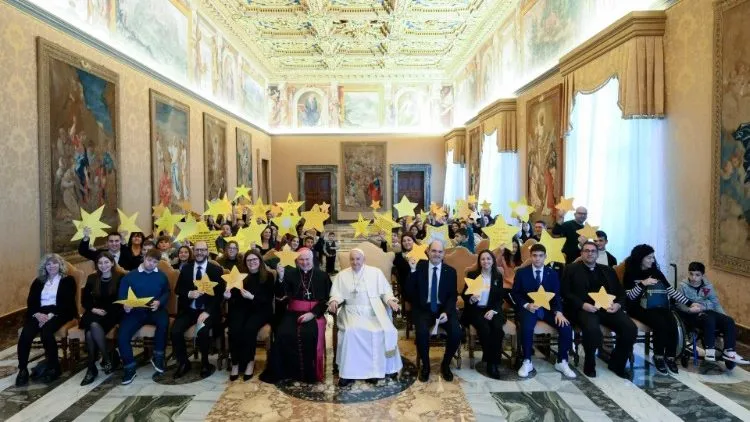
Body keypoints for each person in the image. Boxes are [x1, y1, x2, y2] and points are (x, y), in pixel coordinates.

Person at [561, 241, 636, 378]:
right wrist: (583, 305)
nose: (590, 253)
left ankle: (617, 363)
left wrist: (618, 305)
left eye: (593, 251)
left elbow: (620, 292)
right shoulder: (571, 269)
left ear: (597, 254)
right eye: (587, 251)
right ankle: (590, 362)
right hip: (584, 308)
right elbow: (565, 292)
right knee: (592, 330)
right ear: (581, 253)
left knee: (630, 328)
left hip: (608, 308)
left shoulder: (608, 270)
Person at [623, 244, 701, 375]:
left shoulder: (656, 272)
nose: (653, 260)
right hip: (636, 307)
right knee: (660, 323)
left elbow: (671, 291)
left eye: (653, 257)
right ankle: (658, 356)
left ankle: (670, 357)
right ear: (640, 258)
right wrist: (643, 284)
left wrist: (690, 303)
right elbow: (629, 297)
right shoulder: (630, 273)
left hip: (656, 305)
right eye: (649, 258)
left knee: (671, 321)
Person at [328, 248, 402, 387]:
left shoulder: (375, 273)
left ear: (364, 260)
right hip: (351, 312)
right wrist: (334, 301)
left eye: (358, 259)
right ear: (349, 260)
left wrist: (390, 300)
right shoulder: (342, 275)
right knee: (351, 332)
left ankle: (378, 370)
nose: (355, 262)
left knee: (380, 331)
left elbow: (385, 292)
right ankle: (348, 374)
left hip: (374, 312)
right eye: (352, 259)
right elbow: (336, 294)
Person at [260, 248, 331, 383]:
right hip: (292, 313)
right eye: (301, 260)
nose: (304, 263)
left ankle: (308, 374)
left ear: (312, 259)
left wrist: (313, 313)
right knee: (283, 333)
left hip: (314, 313)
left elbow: (325, 299)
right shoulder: (290, 273)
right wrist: (280, 278)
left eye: (307, 259)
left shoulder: (322, 276)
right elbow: (280, 296)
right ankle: (287, 372)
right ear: (297, 260)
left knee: (309, 334)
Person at [512, 244, 576, 378]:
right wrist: (527, 305)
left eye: (541, 256)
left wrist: (559, 312)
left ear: (545, 257)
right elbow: (515, 294)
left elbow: (557, 295)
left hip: (548, 309)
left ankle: (562, 360)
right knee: (527, 327)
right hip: (529, 309)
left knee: (566, 326)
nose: (537, 259)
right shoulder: (521, 273)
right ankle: (527, 360)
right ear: (531, 256)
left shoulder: (552, 274)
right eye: (534, 255)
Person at [15, 254, 77, 387]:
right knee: (26, 335)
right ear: (44, 267)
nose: (52, 266)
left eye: (55, 263)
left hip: (60, 312)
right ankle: (23, 369)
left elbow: (67, 303)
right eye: (48, 264)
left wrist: (49, 316)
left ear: (60, 265)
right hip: (38, 312)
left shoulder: (68, 280)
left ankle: (54, 368)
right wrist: (37, 314)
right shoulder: (38, 281)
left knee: (46, 332)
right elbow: (31, 302)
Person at [406, 240, 461, 383]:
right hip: (424, 309)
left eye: (440, 252)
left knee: (456, 332)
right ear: (428, 252)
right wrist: (412, 271)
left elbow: (452, 296)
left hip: (443, 310)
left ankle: (445, 364)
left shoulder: (451, 271)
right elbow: (409, 293)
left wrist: (447, 312)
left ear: (444, 254)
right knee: (422, 333)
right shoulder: (418, 267)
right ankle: (426, 366)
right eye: (434, 251)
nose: (437, 254)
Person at [677, 262, 748, 366]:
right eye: (691, 274)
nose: (693, 278)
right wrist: (690, 310)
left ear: (702, 275)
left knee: (729, 321)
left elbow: (715, 303)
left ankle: (729, 351)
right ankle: (710, 349)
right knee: (709, 318)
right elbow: (679, 304)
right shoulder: (683, 286)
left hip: (707, 312)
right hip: (692, 315)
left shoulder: (707, 287)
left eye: (697, 275)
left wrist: (723, 315)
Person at [117, 248, 171, 385]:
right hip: (135, 312)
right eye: (149, 260)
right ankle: (129, 367)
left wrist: (160, 302)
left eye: (154, 262)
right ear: (144, 258)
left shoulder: (161, 276)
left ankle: (158, 356)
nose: (151, 264)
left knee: (164, 324)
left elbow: (167, 292)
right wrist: (125, 305)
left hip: (155, 309)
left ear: (158, 263)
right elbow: (122, 295)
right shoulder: (129, 276)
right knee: (122, 335)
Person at [172, 241, 225, 379]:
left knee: (202, 331)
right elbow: (178, 289)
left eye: (203, 250)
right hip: (189, 309)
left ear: (207, 251)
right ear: (193, 251)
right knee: (175, 331)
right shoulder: (186, 269)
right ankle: (184, 363)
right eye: (197, 250)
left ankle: (205, 363)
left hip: (208, 310)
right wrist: (189, 293)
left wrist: (207, 312)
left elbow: (219, 295)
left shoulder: (216, 270)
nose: (200, 252)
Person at [224, 250, 274, 381]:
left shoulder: (268, 276)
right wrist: (227, 297)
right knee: (234, 329)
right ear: (245, 263)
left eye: (254, 260)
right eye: (249, 260)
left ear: (260, 261)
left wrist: (252, 297)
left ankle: (249, 362)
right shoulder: (241, 276)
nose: (252, 262)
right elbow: (234, 297)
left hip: (261, 310)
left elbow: (268, 299)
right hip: (242, 308)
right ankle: (235, 363)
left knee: (249, 329)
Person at [80, 252, 123, 385]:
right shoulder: (92, 278)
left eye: (106, 262)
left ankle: (91, 368)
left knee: (90, 331)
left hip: (113, 312)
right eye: (100, 263)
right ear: (97, 265)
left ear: (112, 263)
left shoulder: (120, 277)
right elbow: (85, 300)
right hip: (94, 311)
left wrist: (107, 311)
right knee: (91, 326)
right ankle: (106, 359)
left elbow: (121, 300)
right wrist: (93, 309)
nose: (103, 265)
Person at [462, 250, 506, 379]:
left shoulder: (498, 276)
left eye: (488, 259)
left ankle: (492, 362)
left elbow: (499, 298)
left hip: (492, 309)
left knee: (498, 329)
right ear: (479, 261)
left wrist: (493, 311)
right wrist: (471, 299)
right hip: (476, 310)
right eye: (483, 259)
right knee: (485, 329)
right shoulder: (472, 275)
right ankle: (491, 363)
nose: (485, 261)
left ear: (493, 261)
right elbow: (464, 294)